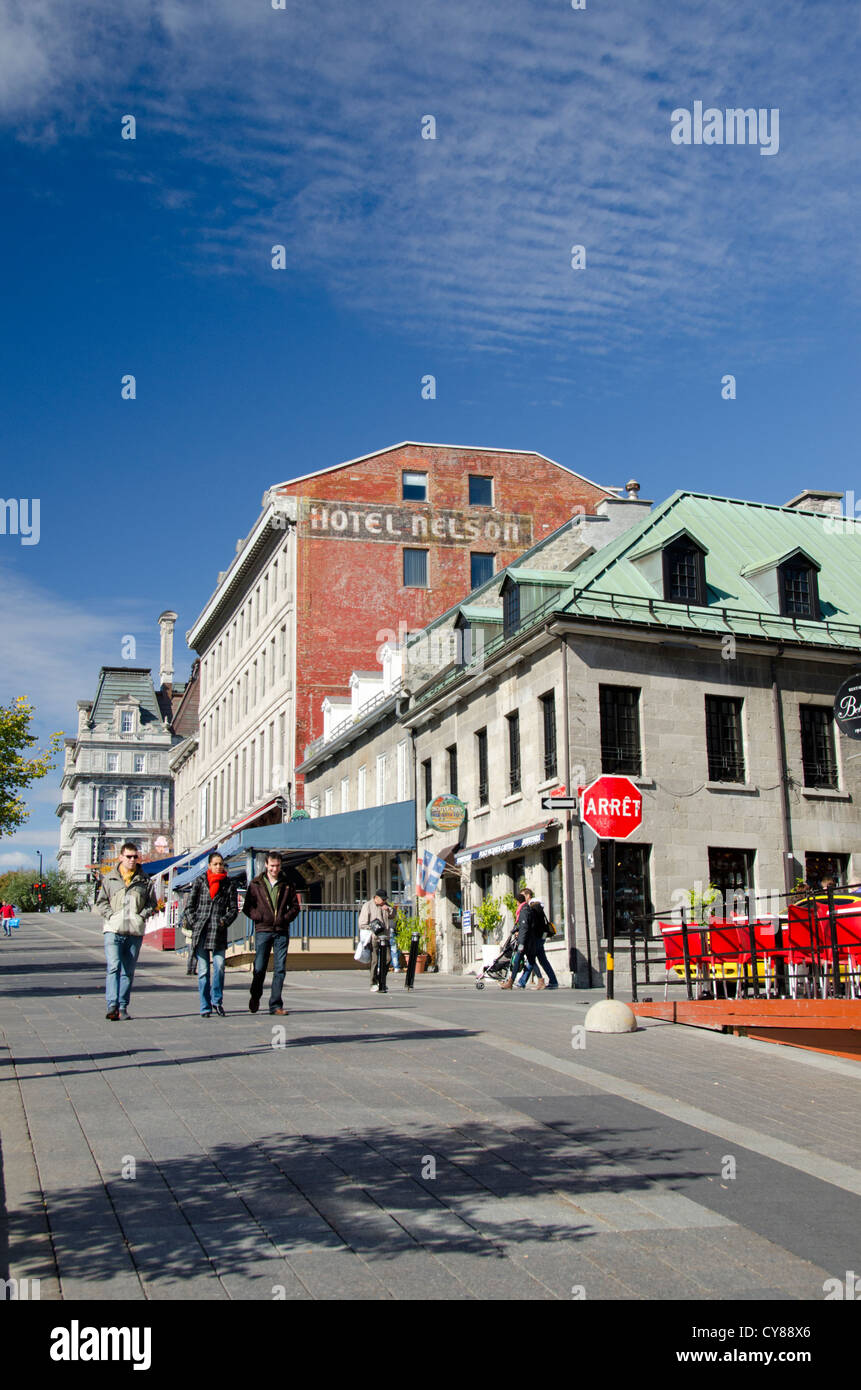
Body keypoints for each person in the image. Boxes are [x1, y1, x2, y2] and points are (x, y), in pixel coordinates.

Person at [95, 841, 158, 1020]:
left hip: (134, 931)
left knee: (128, 971)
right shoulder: (110, 878)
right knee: (113, 967)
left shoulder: (145, 880)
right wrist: (111, 915)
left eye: (134, 857)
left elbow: (152, 903)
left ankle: (123, 1006)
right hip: (113, 930)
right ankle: (111, 1005)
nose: (132, 860)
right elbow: (101, 901)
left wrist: (141, 915)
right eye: (128, 856)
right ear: (121, 857)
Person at [181, 851, 239, 1017]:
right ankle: (205, 1005)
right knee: (204, 970)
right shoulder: (200, 881)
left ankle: (217, 1001)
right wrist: (195, 922)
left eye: (221, 864)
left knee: (220, 966)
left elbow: (234, 909)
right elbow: (189, 907)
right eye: (215, 864)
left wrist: (223, 921)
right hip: (202, 931)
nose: (219, 867)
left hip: (218, 931)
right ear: (209, 866)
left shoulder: (228, 884)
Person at [243, 851, 301, 1015]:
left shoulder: (287, 884)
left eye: (277, 866)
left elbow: (295, 907)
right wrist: (258, 917)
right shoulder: (256, 884)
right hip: (263, 930)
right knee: (259, 967)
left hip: (281, 931)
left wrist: (285, 918)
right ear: (266, 865)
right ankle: (255, 995)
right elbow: (248, 907)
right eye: (272, 866)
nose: (275, 869)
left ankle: (275, 1004)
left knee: (280, 968)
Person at [514, 888, 559, 990]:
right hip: (540, 935)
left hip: (538, 936)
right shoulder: (534, 905)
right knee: (542, 959)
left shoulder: (534, 905)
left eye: (523, 896)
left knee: (531, 957)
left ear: (528, 895)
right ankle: (553, 981)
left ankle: (523, 982)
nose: (521, 899)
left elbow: (533, 923)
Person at [359, 889, 395, 993]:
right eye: (382, 899)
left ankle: (381, 979)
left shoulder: (386, 905)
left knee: (388, 959)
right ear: (376, 898)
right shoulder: (368, 906)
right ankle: (373, 982)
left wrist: (388, 909)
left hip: (385, 936)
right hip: (373, 937)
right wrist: (373, 927)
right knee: (374, 960)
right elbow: (362, 923)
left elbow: (393, 915)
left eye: (385, 899)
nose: (384, 901)